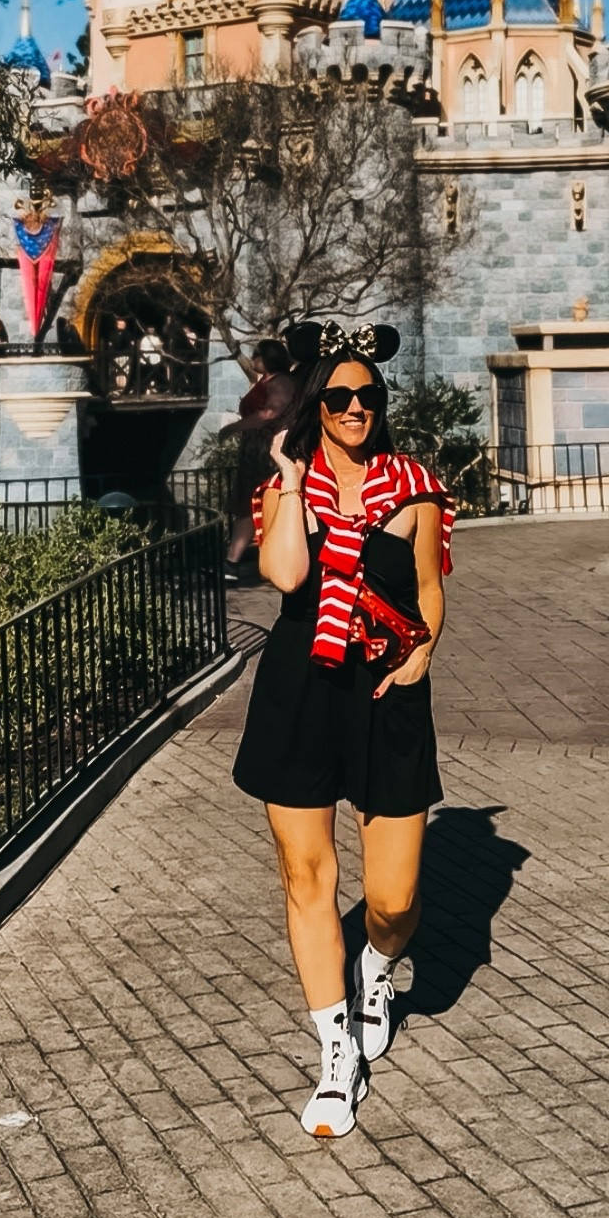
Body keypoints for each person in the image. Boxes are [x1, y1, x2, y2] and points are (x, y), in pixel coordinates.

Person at [232, 320, 454, 1139]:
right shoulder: (285, 487)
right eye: (339, 397)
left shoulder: (416, 489)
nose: (356, 408)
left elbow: (428, 590)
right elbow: (287, 574)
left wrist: (424, 652)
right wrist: (291, 483)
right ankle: (336, 1054)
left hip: (387, 691)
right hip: (300, 691)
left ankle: (376, 966)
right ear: (316, 406)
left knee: (393, 899)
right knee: (307, 877)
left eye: (368, 396)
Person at [222, 339, 295, 585]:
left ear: (266, 358)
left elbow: (269, 414)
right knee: (247, 504)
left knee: (264, 501)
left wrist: (234, 427)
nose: (253, 359)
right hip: (253, 450)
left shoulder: (281, 383)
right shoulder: (264, 381)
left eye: (256, 354)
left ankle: (265, 561)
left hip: (267, 451)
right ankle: (232, 562)